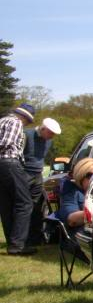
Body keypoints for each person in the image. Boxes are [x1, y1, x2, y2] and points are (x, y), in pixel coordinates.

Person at [0, 103, 37, 255]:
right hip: (9, 162)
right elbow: (6, 143)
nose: (27, 124)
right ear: (24, 117)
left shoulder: (2, 120)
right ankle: (18, 245)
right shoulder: (15, 122)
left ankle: (12, 242)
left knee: (6, 204)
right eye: (28, 121)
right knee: (25, 203)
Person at [22, 116, 61, 245]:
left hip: (38, 175)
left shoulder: (48, 141)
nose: (52, 137)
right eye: (50, 133)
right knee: (23, 206)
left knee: (36, 207)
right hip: (24, 173)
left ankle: (35, 237)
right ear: (43, 129)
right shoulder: (26, 135)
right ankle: (22, 238)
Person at [58, 157, 93, 232]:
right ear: (81, 176)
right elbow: (72, 220)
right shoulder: (71, 190)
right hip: (81, 236)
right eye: (90, 175)